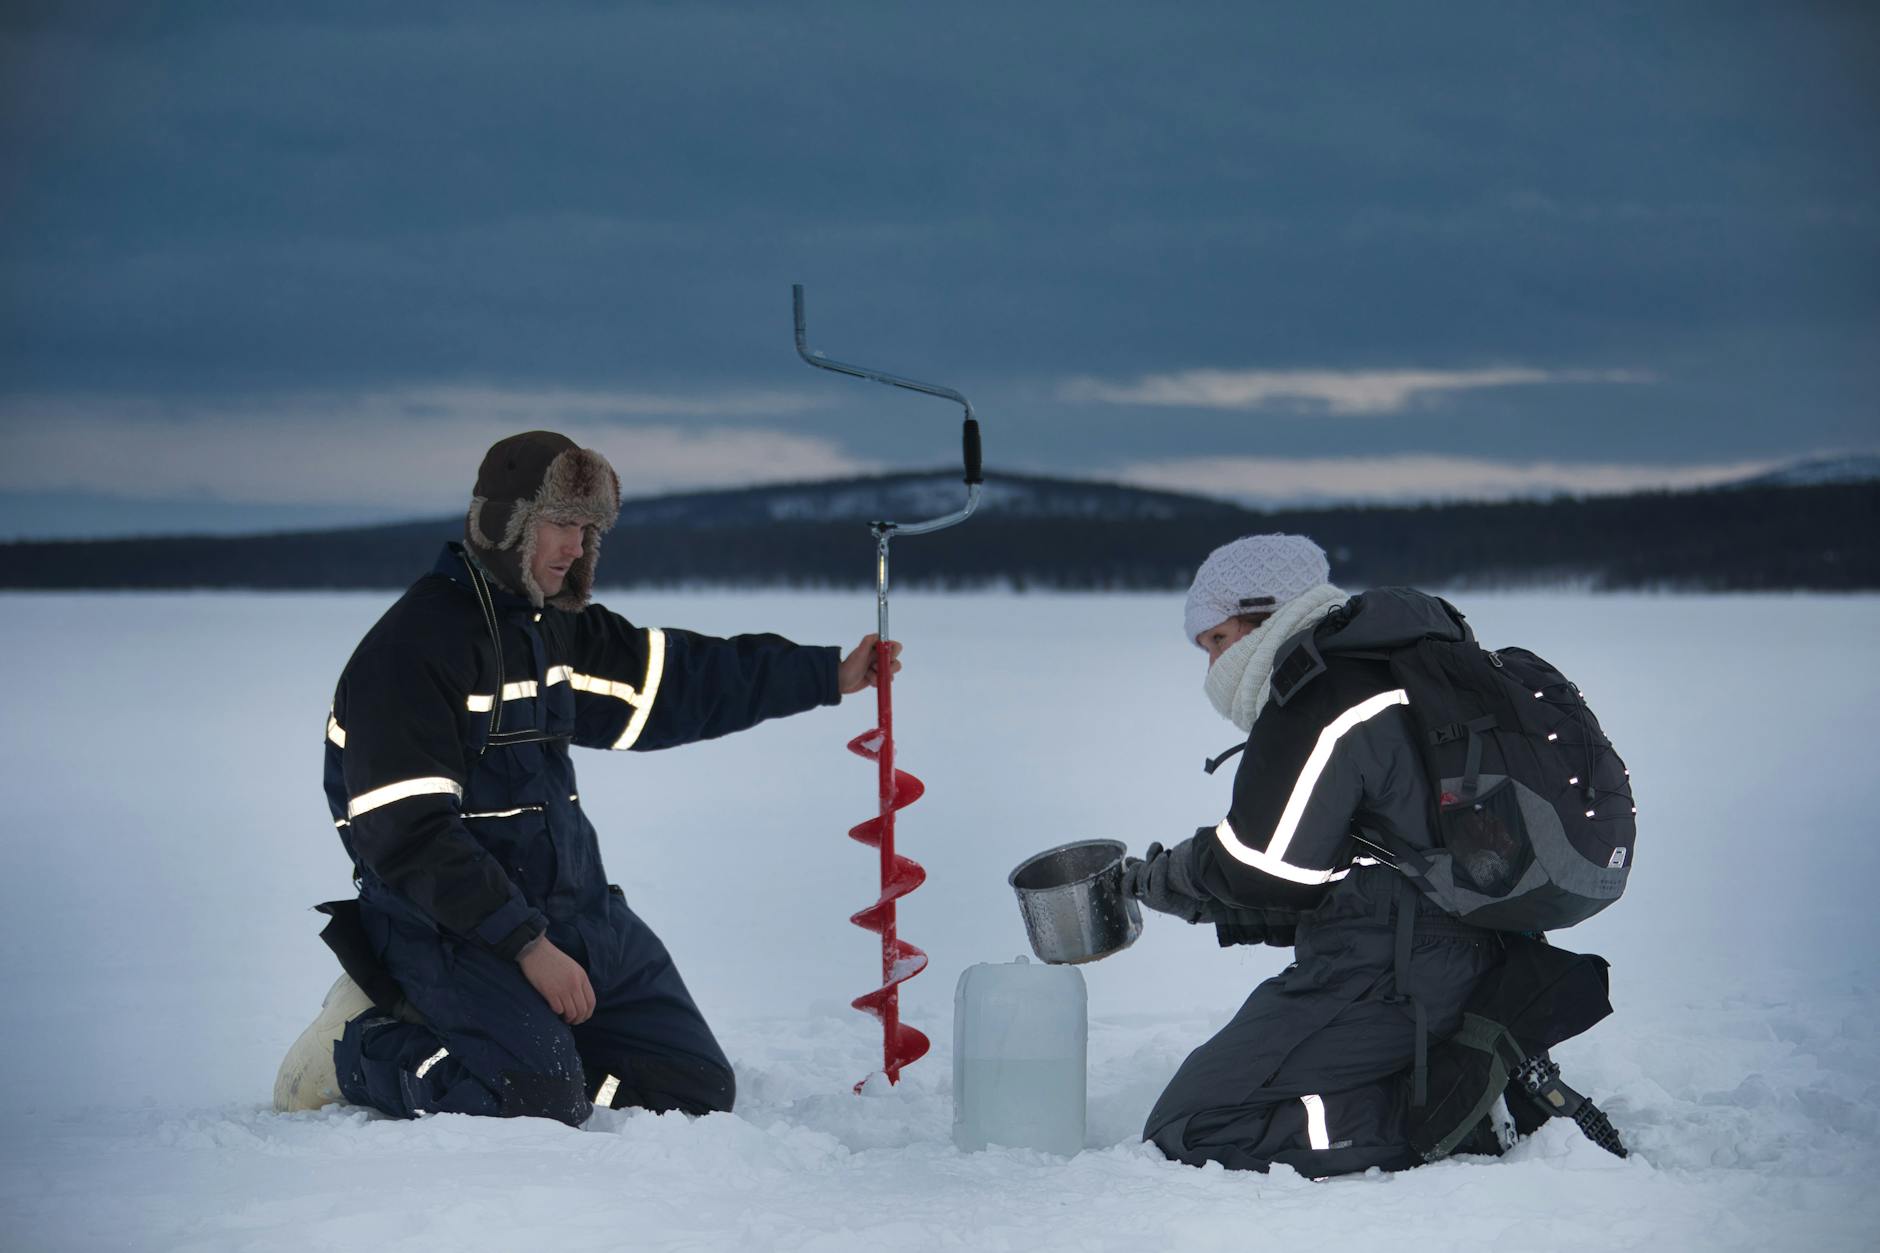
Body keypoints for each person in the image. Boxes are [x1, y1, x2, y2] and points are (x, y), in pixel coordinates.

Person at [274, 430, 899, 1125]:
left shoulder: (550, 631)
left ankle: (533, 1045)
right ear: (504, 524)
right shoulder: (414, 650)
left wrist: (824, 675)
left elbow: (671, 681)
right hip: (447, 927)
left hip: (575, 911)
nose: (576, 546)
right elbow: (409, 836)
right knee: (532, 1098)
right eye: (561, 524)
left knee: (690, 1089)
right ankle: (359, 1046)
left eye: (587, 528)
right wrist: (526, 945)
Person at [1124, 534, 1508, 1176]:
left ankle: (1449, 1116)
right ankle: (1471, 1080)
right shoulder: (1390, 673)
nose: (1211, 667)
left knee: (1195, 1127)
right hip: (1461, 953)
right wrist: (1192, 903)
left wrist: (1165, 875)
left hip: (1397, 974)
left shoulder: (1321, 694)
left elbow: (1264, 867)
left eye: (1216, 641)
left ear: (1262, 615)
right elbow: (1336, 879)